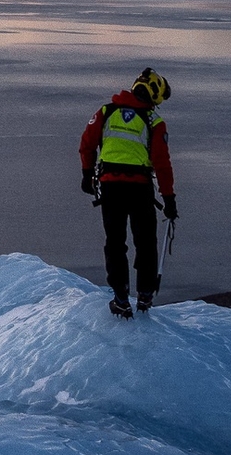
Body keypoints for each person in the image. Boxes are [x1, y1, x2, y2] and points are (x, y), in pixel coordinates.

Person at [77, 67, 179, 317]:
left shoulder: (106, 112)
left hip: (111, 187)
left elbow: (86, 145)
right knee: (145, 242)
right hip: (140, 188)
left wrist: (87, 175)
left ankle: (121, 298)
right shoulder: (154, 122)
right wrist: (169, 199)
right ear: (154, 95)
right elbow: (162, 164)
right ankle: (144, 296)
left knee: (115, 243)